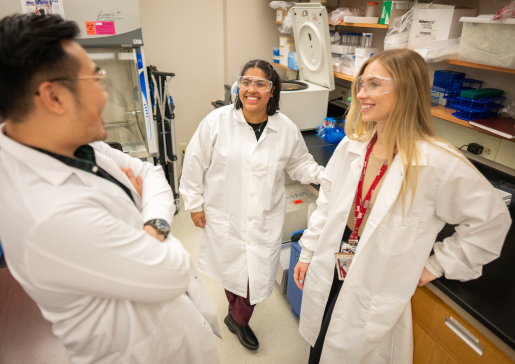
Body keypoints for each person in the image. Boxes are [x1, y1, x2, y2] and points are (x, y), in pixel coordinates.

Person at [0, 14, 220, 364]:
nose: (105, 92)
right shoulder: (49, 215)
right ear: (53, 97)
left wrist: (148, 228)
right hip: (140, 351)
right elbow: (175, 271)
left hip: (168, 324)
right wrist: (152, 217)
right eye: (96, 77)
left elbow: (151, 174)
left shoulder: (71, 144)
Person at [293, 49, 512, 364]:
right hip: (341, 251)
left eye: (373, 84)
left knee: (351, 347)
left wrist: (437, 265)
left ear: (407, 90)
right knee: (324, 337)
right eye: (361, 84)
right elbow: (328, 201)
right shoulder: (354, 144)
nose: (361, 93)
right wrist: (310, 249)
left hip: (379, 272)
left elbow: (491, 220)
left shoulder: (437, 162)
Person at [180, 59, 324, 350]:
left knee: (252, 283)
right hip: (224, 214)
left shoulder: (285, 128)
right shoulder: (216, 122)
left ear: (273, 91)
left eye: (260, 84)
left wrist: (330, 177)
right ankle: (237, 318)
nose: (252, 89)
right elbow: (194, 163)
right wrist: (194, 204)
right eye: (246, 82)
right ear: (238, 87)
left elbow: (300, 165)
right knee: (228, 268)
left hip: (262, 220)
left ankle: (239, 319)